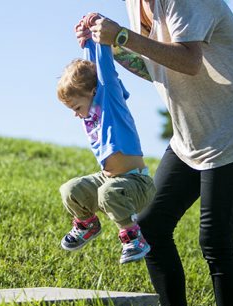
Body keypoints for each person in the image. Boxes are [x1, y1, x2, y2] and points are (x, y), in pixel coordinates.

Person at [75, 1, 233, 306]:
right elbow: (155, 66)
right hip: (190, 134)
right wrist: (106, 45)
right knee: (150, 226)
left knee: (215, 242)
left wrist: (121, 36)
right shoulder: (136, 3)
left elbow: (188, 61)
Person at [56, 13, 156, 265]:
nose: (76, 115)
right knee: (70, 190)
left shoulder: (110, 100)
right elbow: (92, 72)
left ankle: (134, 238)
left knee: (108, 194)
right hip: (108, 179)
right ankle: (87, 224)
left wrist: (101, 41)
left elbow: (104, 74)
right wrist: (88, 42)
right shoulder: (90, 106)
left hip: (136, 184)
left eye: (76, 108)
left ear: (92, 93)